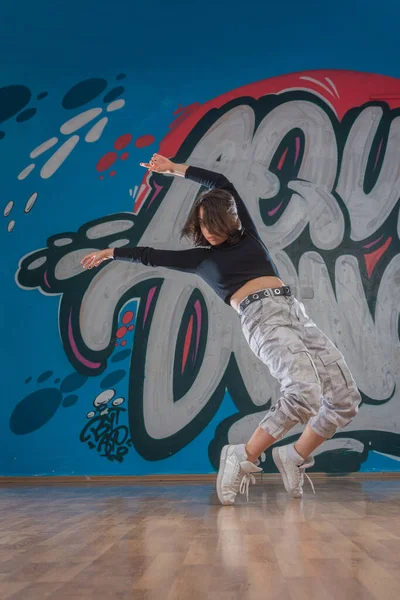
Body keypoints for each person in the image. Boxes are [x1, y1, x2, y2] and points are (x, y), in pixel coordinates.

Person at [82, 154, 361, 505]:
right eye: (202, 224)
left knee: (344, 398)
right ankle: (241, 456)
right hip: (263, 319)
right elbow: (149, 255)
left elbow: (222, 183)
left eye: (214, 223)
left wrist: (174, 169)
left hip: (294, 312)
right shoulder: (201, 260)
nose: (208, 231)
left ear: (231, 221)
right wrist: (110, 252)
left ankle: (293, 456)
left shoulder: (248, 237)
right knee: (304, 393)